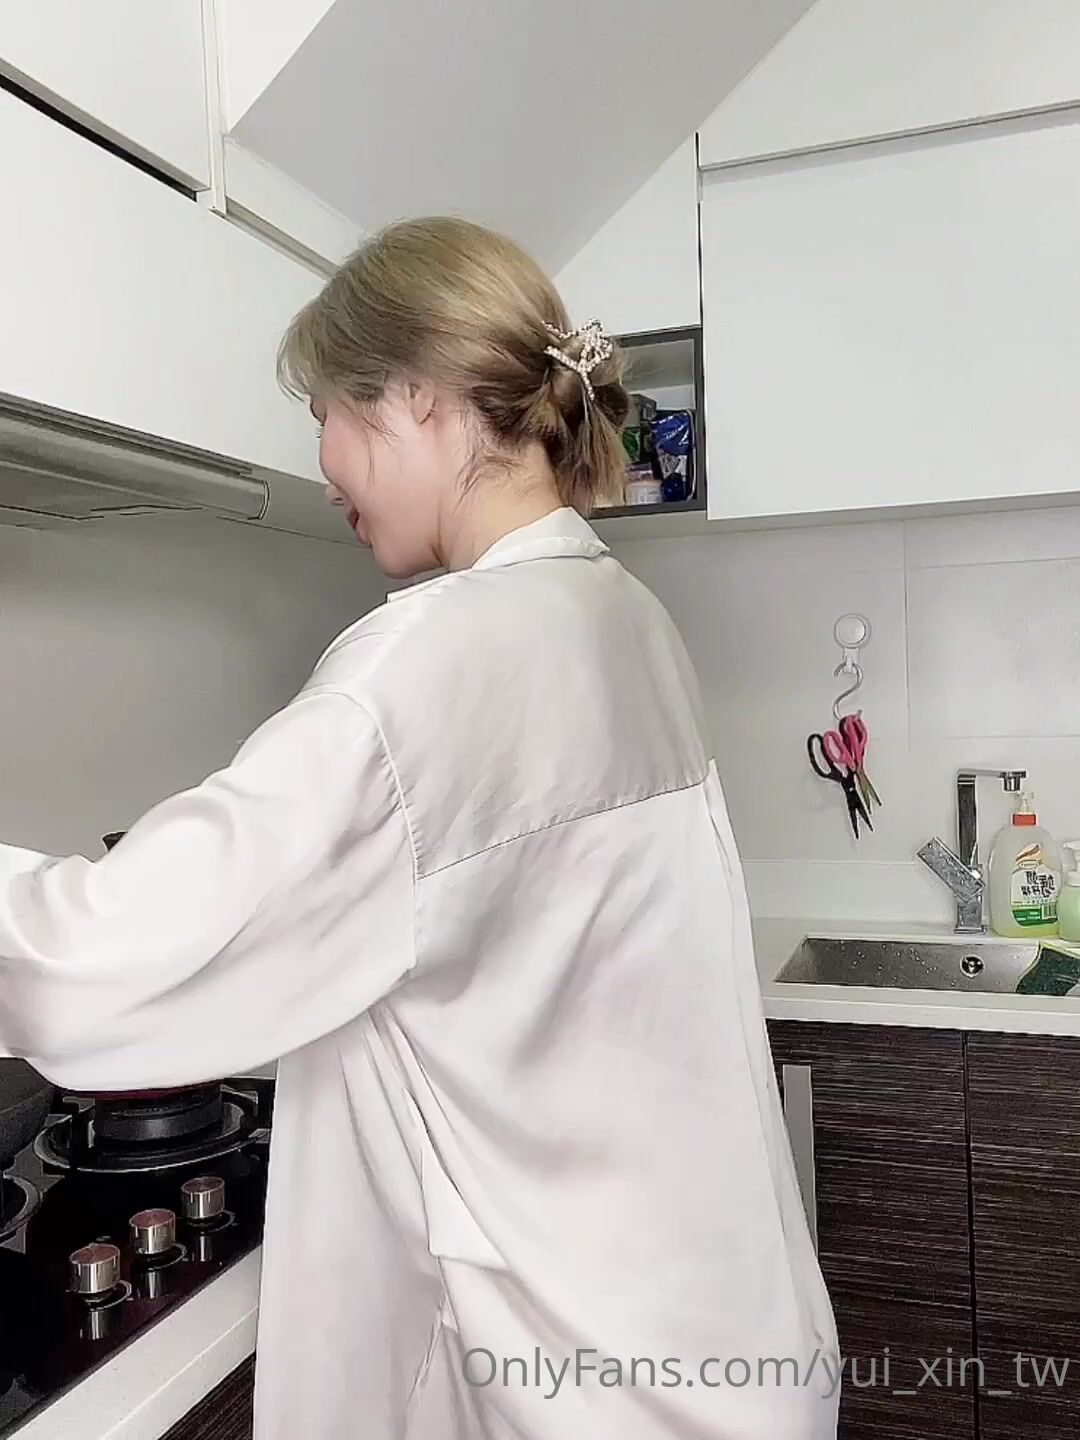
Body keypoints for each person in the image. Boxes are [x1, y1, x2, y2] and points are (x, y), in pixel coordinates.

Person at [0, 217, 839, 1439]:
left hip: (580, 1386)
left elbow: (95, 966)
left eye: (324, 413)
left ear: (417, 394)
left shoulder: (427, 665)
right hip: (716, 1346)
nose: (323, 463)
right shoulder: (625, 619)